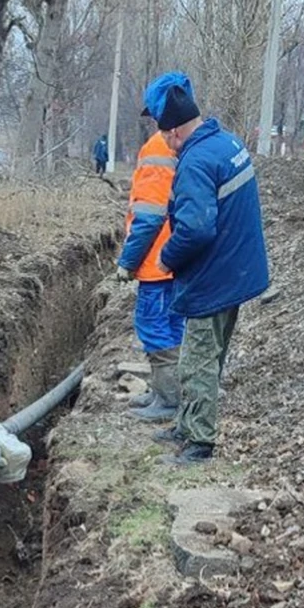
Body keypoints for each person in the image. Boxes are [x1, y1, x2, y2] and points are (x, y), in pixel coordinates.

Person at [141, 72, 270, 465]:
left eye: (161, 130)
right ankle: (186, 423)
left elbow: (196, 228)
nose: (161, 138)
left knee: (197, 360)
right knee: (206, 356)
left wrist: (166, 257)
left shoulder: (196, 160)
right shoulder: (225, 142)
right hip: (237, 271)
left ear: (174, 129)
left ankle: (199, 444)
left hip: (213, 278)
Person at [116, 122, 186, 424]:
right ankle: (165, 391)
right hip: (175, 256)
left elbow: (148, 217)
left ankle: (168, 399)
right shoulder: (180, 145)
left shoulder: (157, 148)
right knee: (172, 326)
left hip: (156, 262)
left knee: (153, 325)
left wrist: (128, 261)